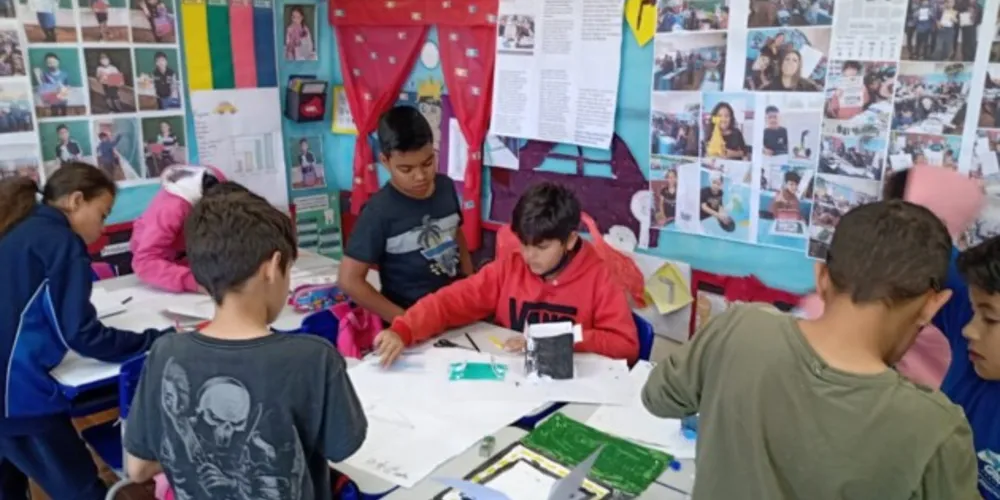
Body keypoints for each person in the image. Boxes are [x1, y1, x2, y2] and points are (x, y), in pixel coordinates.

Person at [642, 199, 978, 499]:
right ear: (933, 305)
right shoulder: (935, 428)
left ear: (821, 277)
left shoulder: (739, 327)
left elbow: (658, 397)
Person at [123, 183, 367, 500]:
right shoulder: (313, 358)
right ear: (272, 268)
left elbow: (137, 469)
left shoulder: (165, 352)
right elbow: (343, 447)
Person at [0, 163, 169, 500]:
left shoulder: (20, 226)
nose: (102, 229)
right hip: (15, 396)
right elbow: (83, 334)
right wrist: (154, 339)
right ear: (76, 200)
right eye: (102, 215)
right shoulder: (61, 241)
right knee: (81, 491)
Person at [372, 182, 639, 366]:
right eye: (524, 244)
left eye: (542, 247)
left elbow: (625, 345)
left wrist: (563, 337)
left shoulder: (599, 277)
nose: (529, 256)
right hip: (511, 381)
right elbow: (450, 302)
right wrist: (404, 329)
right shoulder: (510, 267)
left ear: (569, 241)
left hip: (570, 388)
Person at [338, 106, 473, 324]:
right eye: (406, 169)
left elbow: (456, 235)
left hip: (455, 311)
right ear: (385, 161)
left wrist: (470, 283)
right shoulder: (378, 212)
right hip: (410, 322)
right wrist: (406, 321)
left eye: (427, 163)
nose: (420, 176)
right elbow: (349, 280)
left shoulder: (445, 187)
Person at [129, 165, 223, 293]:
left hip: (192, 257)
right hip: (162, 263)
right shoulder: (170, 209)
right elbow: (144, 262)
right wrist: (194, 282)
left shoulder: (219, 184)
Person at [33, 53, 68, 117]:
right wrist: (38, 75)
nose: (52, 64)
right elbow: (42, 87)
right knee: (54, 113)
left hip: (62, 99)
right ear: (46, 64)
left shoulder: (65, 74)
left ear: (58, 61)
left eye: (53, 62)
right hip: (52, 101)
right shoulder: (45, 75)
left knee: (64, 113)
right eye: (49, 62)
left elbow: (66, 87)